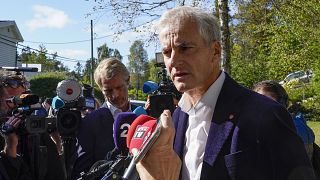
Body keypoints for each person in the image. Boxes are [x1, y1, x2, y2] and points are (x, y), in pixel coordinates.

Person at [135, 6, 315, 180]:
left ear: (215, 51)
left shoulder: (267, 115)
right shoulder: (176, 118)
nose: (173, 60)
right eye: (167, 52)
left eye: (185, 48)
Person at [71, 58, 138, 179]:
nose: (115, 95)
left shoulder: (143, 115)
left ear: (127, 81)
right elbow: (82, 171)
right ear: (101, 90)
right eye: (108, 90)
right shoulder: (90, 123)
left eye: (119, 87)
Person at [0, 70, 66, 180]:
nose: (17, 108)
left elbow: (56, 173)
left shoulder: (35, 130)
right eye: (12, 101)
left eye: (22, 100)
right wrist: (10, 148)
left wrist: (58, 142)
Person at [252, 80, 315, 160]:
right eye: (257, 102)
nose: (261, 106)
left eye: (267, 100)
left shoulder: (295, 127)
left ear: (282, 102)